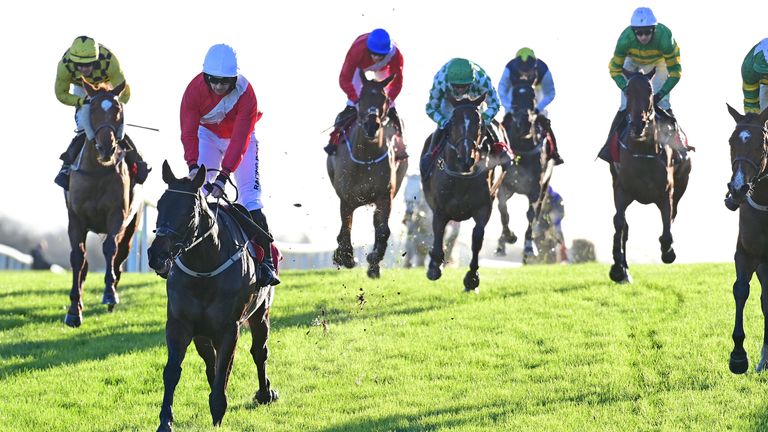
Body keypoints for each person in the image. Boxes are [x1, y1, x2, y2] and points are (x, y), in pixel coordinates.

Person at [179, 43, 279, 287]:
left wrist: (224, 177)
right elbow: (189, 133)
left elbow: (240, 140)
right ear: (205, 77)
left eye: (225, 82)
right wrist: (193, 165)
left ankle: (265, 263)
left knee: (250, 198)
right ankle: (179, 258)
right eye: (213, 81)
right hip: (207, 137)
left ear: (235, 79)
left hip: (240, 138)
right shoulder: (193, 91)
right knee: (199, 193)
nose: (219, 87)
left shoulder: (247, 94)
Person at [54, 35, 150, 190]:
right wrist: (80, 102)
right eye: (80, 65)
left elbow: (124, 92)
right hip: (82, 89)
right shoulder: (65, 65)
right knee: (83, 127)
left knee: (113, 126)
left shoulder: (110, 61)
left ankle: (137, 162)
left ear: (96, 59)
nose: (84, 69)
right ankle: (66, 168)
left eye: (89, 64)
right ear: (73, 61)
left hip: (109, 88)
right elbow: (60, 93)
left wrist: (113, 109)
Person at [598, 7, 682, 163]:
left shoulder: (665, 38)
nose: (643, 37)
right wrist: (626, 88)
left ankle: (679, 146)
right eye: (639, 33)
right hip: (632, 60)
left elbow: (676, 73)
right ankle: (608, 147)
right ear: (633, 31)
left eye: (647, 32)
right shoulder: (625, 39)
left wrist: (660, 93)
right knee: (625, 104)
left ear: (654, 30)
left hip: (660, 61)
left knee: (663, 104)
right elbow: (614, 69)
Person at [325, 28, 407, 159]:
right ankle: (334, 140)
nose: (376, 57)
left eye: (381, 55)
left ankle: (400, 145)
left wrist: (388, 101)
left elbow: (397, 83)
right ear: (369, 49)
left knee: (390, 107)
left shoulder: (396, 55)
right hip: (360, 66)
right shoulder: (357, 50)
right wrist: (356, 99)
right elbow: (344, 79)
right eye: (374, 53)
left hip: (384, 69)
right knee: (353, 104)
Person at [422, 58, 509, 177]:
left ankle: (500, 149)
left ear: (472, 81)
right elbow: (431, 108)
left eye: (464, 86)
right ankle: (430, 155)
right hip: (449, 104)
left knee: (482, 124)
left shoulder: (482, 81)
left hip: (474, 100)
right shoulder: (441, 81)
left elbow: (495, 104)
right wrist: (444, 122)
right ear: (450, 82)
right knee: (444, 126)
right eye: (456, 86)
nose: (460, 90)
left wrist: (482, 119)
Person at [498, 47, 563, 165]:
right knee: (504, 124)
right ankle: (500, 151)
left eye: (527, 70)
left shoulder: (543, 69)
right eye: (522, 70)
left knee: (545, 124)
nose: (525, 73)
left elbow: (550, 93)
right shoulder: (510, 67)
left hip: (537, 100)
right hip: (514, 100)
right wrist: (509, 108)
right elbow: (502, 90)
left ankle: (554, 153)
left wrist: (538, 109)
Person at [725, 38, 768, 211]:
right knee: (749, 136)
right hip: (761, 85)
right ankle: (738, 186)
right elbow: (751, 108)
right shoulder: (750, 68)